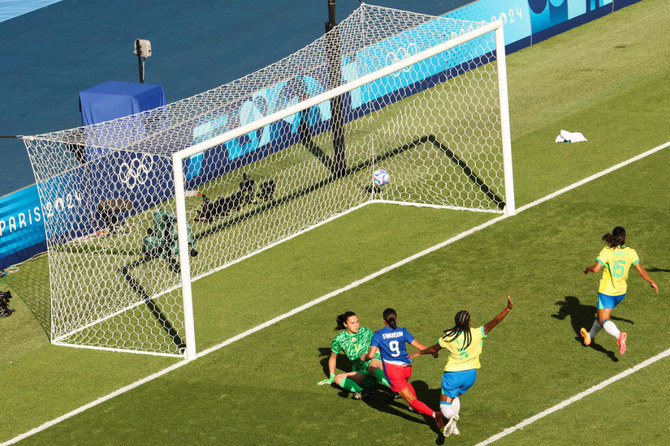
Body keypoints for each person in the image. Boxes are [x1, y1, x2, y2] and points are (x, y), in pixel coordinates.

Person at [410, 296, 513, 437]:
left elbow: (434, 349)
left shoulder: (449, 337)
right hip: (470, 376)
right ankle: (454, 426)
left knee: (444, 406)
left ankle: (451, 417)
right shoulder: (476, 333)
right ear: (469, 322)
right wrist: (507, 308)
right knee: (455, 397)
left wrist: (419, 353)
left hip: (453, 375)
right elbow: (494, 322)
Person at [364, 308, 445, 431]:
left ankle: (435, 415)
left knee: (410, 400)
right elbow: (419, 346)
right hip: (407, 368)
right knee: (406, 384)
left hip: (393, 373)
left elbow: (370, 355)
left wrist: (363, 358)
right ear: (396, 319)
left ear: (383, 321)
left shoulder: (378, 334)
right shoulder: (403, 331)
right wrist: (432, 351)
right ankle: (418, 406)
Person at [580, 226, 658, 355]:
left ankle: (619, 335)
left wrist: (587, 268)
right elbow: (641, 271)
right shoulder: (631, 252)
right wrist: (652, 282)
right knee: (601, 316)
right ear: (625, 238)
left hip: (607, 292)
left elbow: (596, 269)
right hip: (620, 293)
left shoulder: (607, 251)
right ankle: (589, 336)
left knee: (604, 320)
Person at [318, 311, 390, 399]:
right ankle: (363, 392)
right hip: (362, 372)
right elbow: (333, 358)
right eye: (352, 323)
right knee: (338, 378)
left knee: (373, 365)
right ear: (345, 324)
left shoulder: (366, 331)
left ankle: (397, 389)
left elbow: (378, 347)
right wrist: (332, 376)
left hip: (374, 362)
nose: (356, 325)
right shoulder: (339, 339)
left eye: (357, 322)